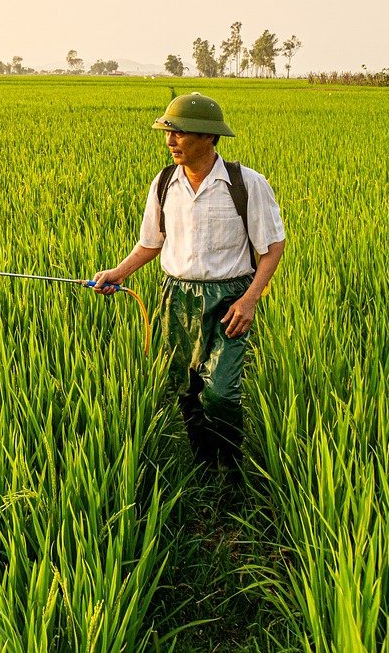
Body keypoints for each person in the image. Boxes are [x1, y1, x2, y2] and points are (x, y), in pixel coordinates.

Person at [93, 93, 286, 476]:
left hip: (230, 298)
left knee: (221, 394)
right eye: (168, 132)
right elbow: (152, 242)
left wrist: (250, 300)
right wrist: (119, 272)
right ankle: (202, 464)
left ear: (210, 137)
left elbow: (273, 245)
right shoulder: (165, 183)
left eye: (180, 133)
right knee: (186, 388)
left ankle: (230, 465)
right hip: (176, 297)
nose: (170, 141)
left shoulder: (245, 183)